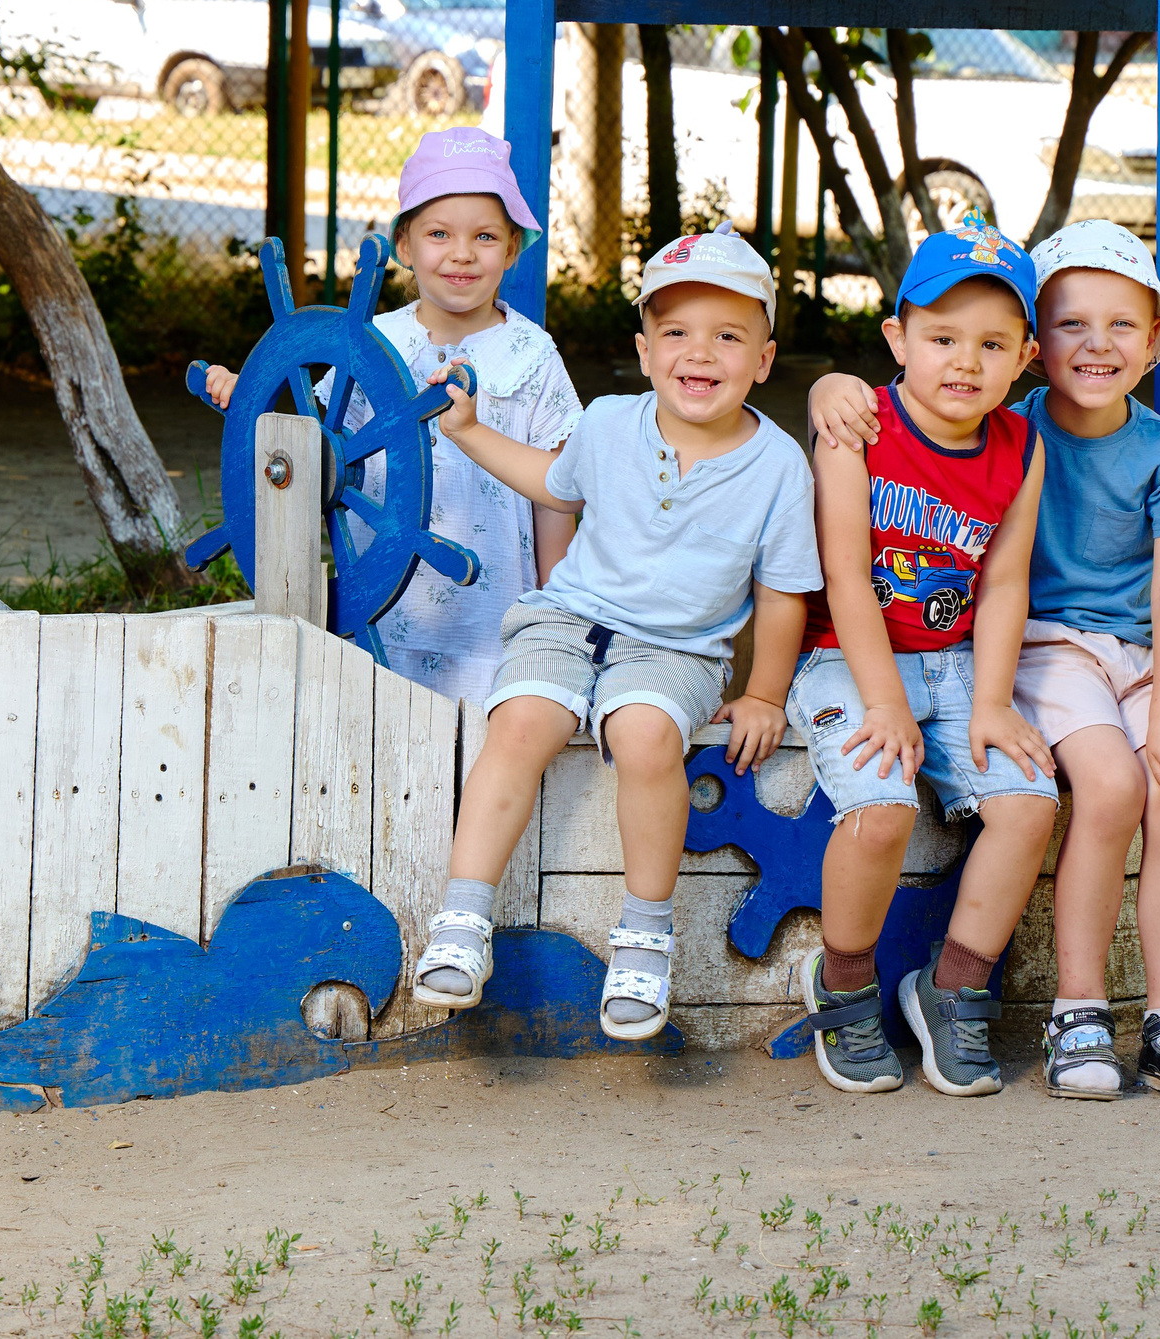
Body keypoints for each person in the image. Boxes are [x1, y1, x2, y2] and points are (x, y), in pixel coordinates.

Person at [409, 225, 823, 1039]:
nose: (698, 353)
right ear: (644, 349)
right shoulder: (605, 423)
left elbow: (781, 594)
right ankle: (463, 915)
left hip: (677, 648)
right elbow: (552, 484)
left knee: (644, 734)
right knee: (520, 720)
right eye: (676, 332)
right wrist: (465, 429)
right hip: (568, 618)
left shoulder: (779, 467)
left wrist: (765, 692)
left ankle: (644, 935)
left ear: (764, 359)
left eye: (727, 336)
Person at [792, 215, 1057, 1097]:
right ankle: (844, 982)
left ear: (1025, 358)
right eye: (942, 337)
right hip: (848, 655)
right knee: (881, 809)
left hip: (955, 660)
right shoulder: (857, 425)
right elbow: (844, 572)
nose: (965, 362)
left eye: (992, 344)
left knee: (1028, 803)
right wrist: (884, 701)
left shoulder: (1021, 446)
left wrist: (992, 701)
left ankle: (952, 988)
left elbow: (1004, 583)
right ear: (898, 337)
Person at [201, 130, 580, 703]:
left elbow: (556, 489)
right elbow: (314, 447)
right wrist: (256, 400)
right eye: (438, 234)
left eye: (484, 236)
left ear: (510, 250)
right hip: (381, 611)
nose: (462, 253)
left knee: (485, 742)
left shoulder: (532, 354)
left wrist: (559, 608)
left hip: (495, 617)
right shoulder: (373, 343)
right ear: (404, 245)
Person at [1011, 221, 1160, 1100]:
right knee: (1108, 786)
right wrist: (832, 386)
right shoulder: (1008, 430)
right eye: (1071, 322)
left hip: (1144, 652)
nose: (1096, 343)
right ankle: (1078, 1011)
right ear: (1034, 340)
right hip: (1049, 644)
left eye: (1120, 325)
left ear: (1153, 340)